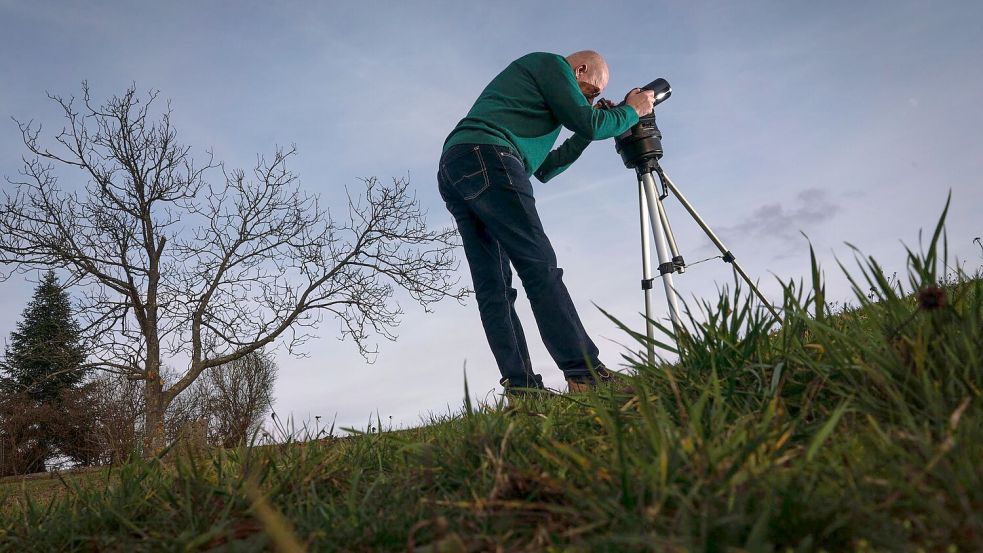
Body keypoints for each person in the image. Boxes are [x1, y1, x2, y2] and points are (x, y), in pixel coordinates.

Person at [437, 50, 656, 396]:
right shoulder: (552, 65)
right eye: (592, 91)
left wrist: (588, 130)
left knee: (493, 286)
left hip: (459, 165)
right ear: (579, 69)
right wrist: (633, 110)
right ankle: (584, 375)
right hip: (489, 154)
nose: (590, 99)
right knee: (540, 267)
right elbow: (591, 123)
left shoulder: (538, 106)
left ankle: (523, 391)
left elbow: (547, 168)